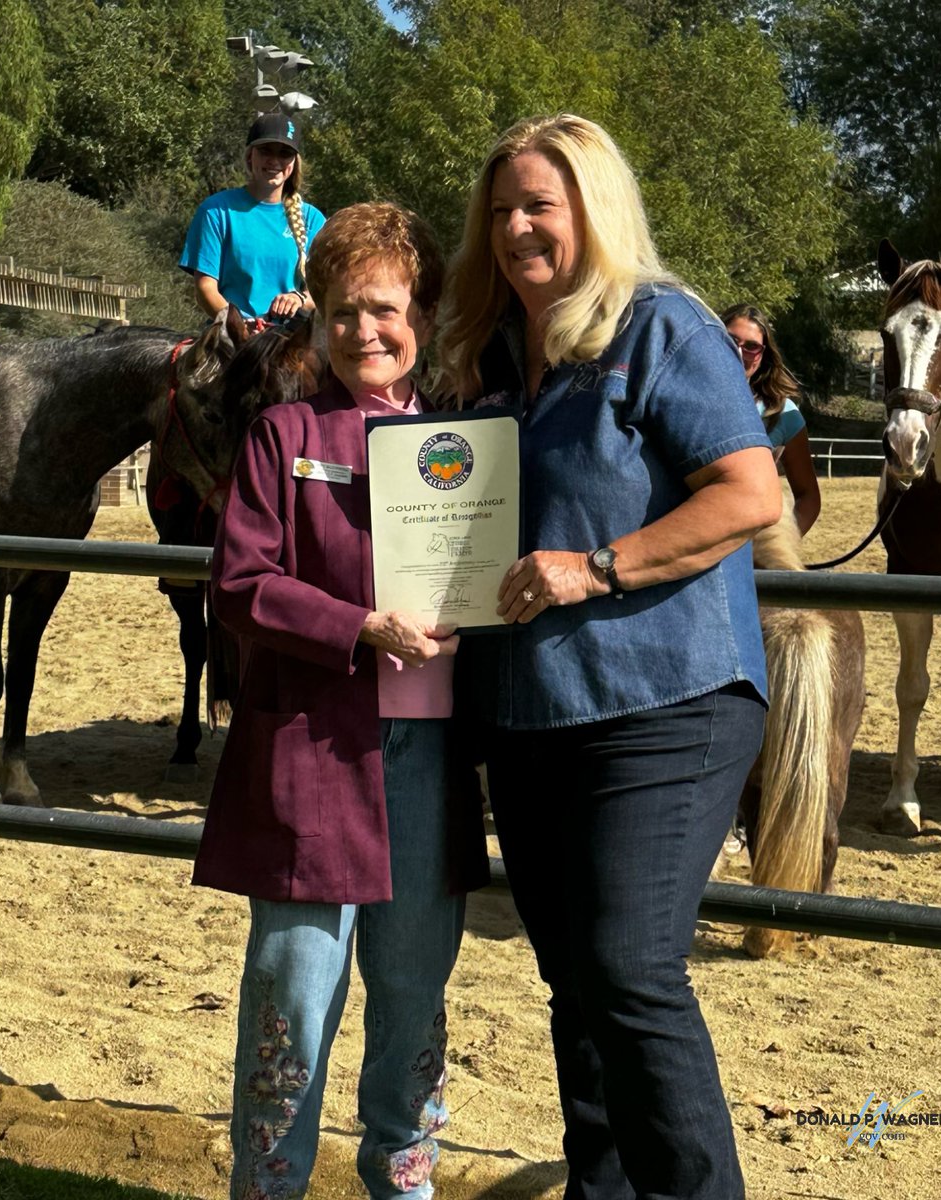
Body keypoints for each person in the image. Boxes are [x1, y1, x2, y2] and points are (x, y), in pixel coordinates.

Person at [435, 114, 782, 1200]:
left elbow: (751, 494)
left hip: (667, 702)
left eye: (540, 204)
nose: (516, 229)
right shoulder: (488, 355)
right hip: (531, 710)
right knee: (576, 983)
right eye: (500, 211)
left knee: (629, 969)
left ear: (593, 208)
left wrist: (596, 568)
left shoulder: (662, 326)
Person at [192, 201, 488, 1200]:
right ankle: (268, 1185)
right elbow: (241, 583)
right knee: (294, 993)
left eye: (387, 309)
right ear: (319, 315)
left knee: (414, 995)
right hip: (313, 755)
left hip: (429, 763)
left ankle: (405, 1182)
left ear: (424, 316)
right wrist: (357, 626)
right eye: (345, 310)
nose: (366, 330)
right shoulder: (283, 435)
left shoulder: (469, 445)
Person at [179, 113, 326, 321]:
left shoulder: (313, 219)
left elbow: (323, 293)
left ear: (294, 162)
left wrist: (299, 299)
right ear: (250, 155)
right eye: (266, 150)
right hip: (231, 333)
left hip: (293, 336)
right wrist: (240, 328)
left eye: (285, 153)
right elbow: (205, 288)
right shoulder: (216, 211)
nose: (274, 161)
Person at [720, 302, 821, 536]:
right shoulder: (680, 398)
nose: (739, 352)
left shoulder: (783, 414)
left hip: (745, 543)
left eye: (751, 346)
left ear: (763, 355)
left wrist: (780, 547)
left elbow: (808, 497)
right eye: (731, 340)